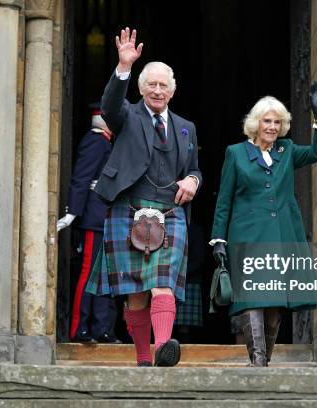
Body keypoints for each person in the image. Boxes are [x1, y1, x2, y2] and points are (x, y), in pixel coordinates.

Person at [85, 27, 202, 367]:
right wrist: (123, 66)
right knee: (136, 293)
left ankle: (163, 347)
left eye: (163, 84)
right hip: (129, 208)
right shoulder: (127, 116)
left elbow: (195, 167)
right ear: (140, 88)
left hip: (170, 212)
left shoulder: (186, 127)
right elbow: (109, 105)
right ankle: (142, 357)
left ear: (173, 90)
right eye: (151, 84)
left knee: (163, 284)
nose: (157, 90)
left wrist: (193, 180)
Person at [210, 82, 317, 367]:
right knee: (253, 298)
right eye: (267, 121)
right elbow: (224, 199)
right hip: (248, 237)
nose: (273, 127)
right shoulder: (236, 153)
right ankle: (258, 361)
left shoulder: (286, 151)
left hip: (281, 236)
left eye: (278, 122)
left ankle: (265, 360)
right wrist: (218, 239)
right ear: (256, 123)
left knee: (275, 299)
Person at [57, 106, 120, 344]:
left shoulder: (106, 143)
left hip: (106, 217)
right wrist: (73, 212)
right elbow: (82, 177)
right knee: (89, 274)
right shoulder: (95, 141)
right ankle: (80, 329)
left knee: (105, 276)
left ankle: (101, 328)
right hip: (94, 218)